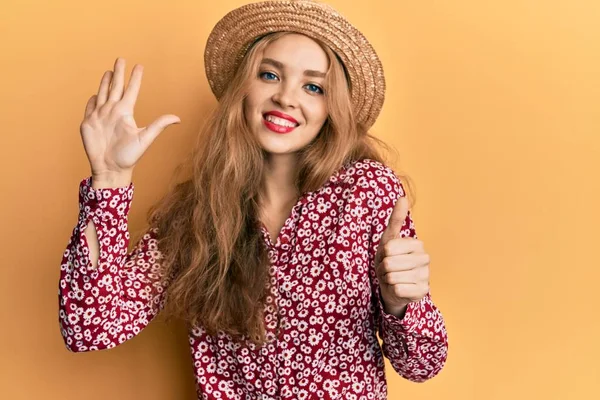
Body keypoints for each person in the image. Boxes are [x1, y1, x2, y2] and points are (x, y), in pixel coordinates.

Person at [57, 1, 448, 398]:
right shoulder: (196, 211)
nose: (285, 97)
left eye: (313, 86)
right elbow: (90, 328)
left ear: (332, 108)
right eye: (269, 74)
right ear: (244, 89)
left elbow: (422, 363)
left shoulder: (368, 192)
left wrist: (399, 303)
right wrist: (109, 180)